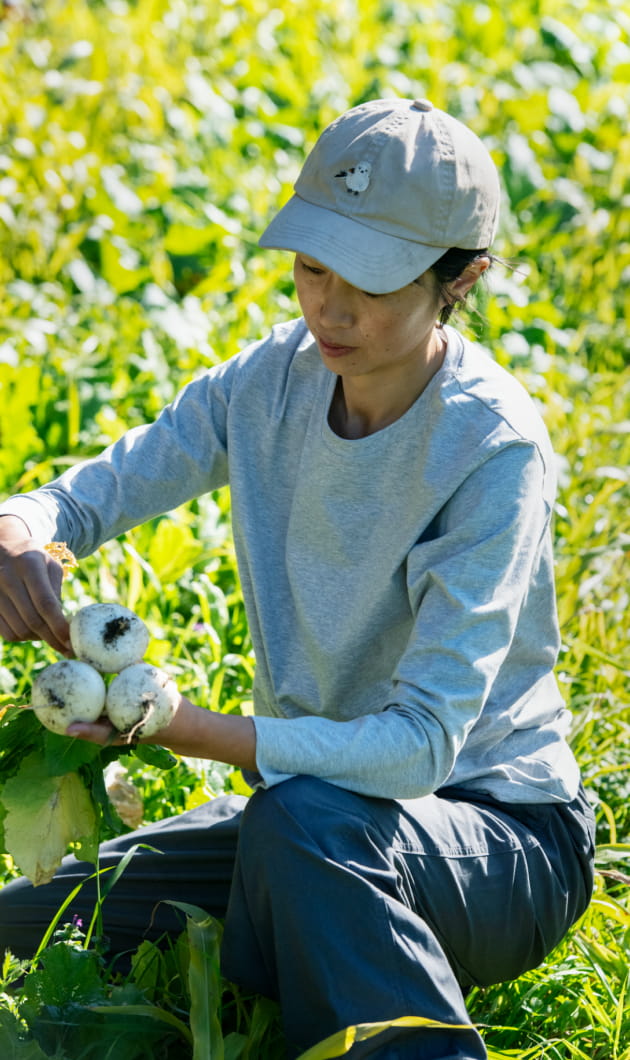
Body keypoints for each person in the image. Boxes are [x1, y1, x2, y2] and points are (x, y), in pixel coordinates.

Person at [0, 98, 595, 1060]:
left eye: (370, 280)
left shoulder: (491, 450)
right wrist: (19, 527)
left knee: (300, 830)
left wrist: (179, 727)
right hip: (309, 814)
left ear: (460, 277)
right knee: (32, 920)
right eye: (313, 267)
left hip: (497, 835)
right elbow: (105, 486)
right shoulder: (270, 380)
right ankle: (309, 945)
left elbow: (419, 751)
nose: (330, 308)